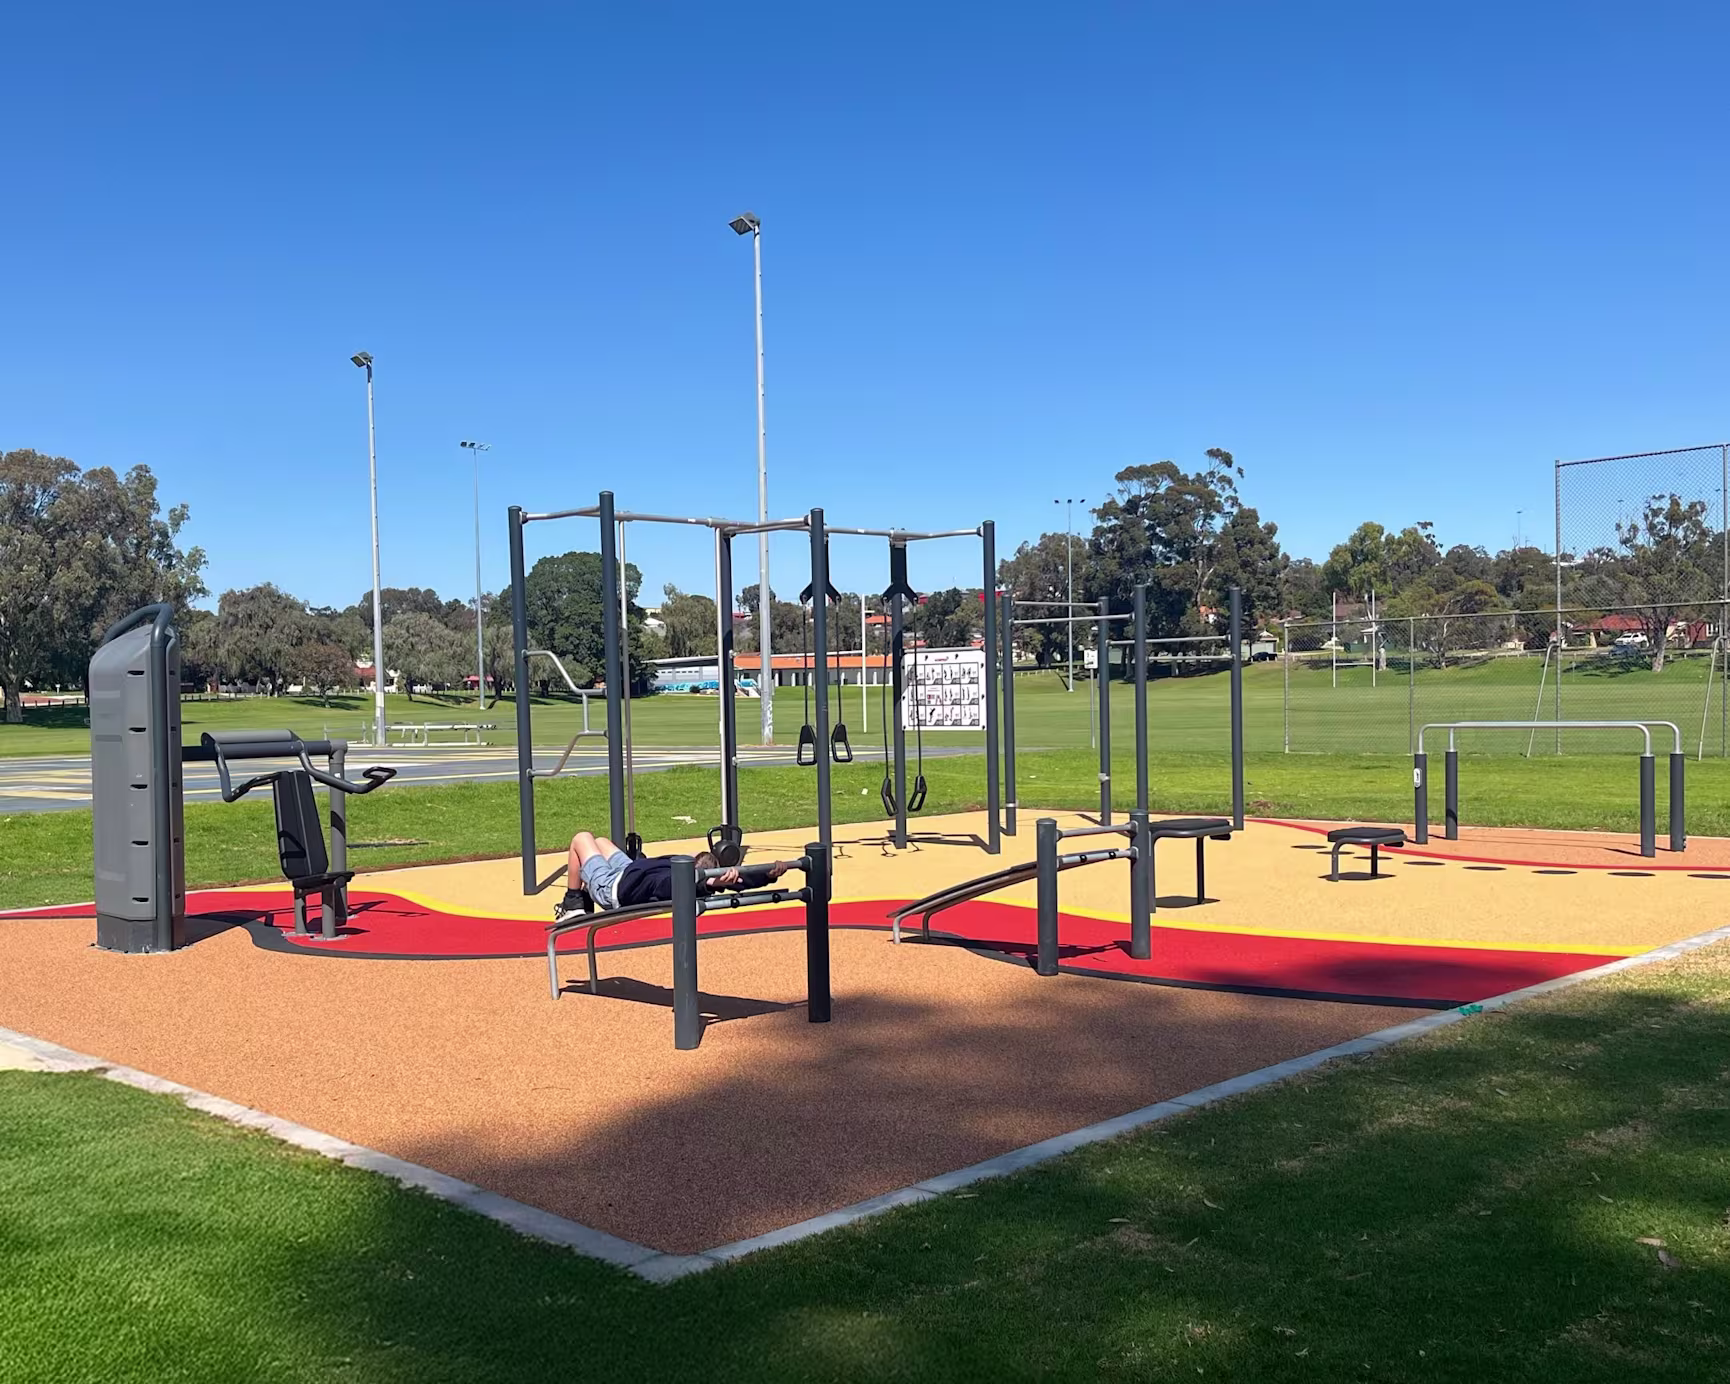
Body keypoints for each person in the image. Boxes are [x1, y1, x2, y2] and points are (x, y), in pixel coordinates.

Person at [556, 831, 789, 922]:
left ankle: (575, 903)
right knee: (601, 842)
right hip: (629, 871)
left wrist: (709, 883)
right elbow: (740, 879)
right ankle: (582, 892)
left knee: (581, 838)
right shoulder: (680, 865)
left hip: (612, 888)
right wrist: (768, 874)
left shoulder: (669, 882)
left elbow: (672, 885)